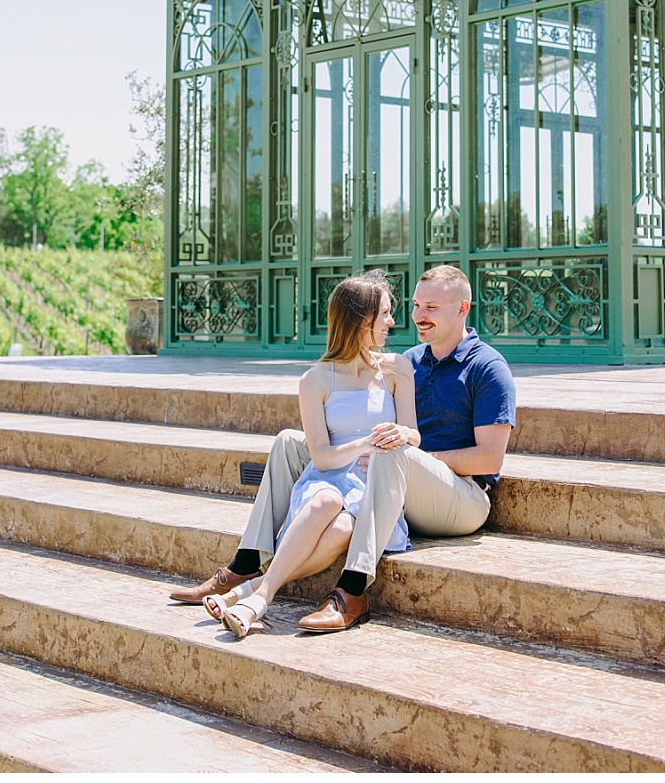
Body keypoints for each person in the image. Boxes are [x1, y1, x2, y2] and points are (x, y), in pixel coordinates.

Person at [170, 264, 516, 633]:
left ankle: (352, 591)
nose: (417, 316)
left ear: (462, 308)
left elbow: (489, 458)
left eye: (430, 308)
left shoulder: (488, 367)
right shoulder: (409, 361)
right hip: (392, 486)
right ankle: (246, 563)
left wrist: (406, 457)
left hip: (460, 498)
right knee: (290, 441)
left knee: (389, 450)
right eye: (416, 305)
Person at [208, 274, 414, 638]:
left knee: (344, 528)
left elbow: (414, 434)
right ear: (360, 320)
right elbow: (320, 458)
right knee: (326, 503)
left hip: (374, 489)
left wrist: (402, 434)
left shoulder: (397, 369)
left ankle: (249, 593)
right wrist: (367, 443)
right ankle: (260, 600)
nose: (391, 322)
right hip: (329, 479)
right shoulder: (315, 380)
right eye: (384, 314)